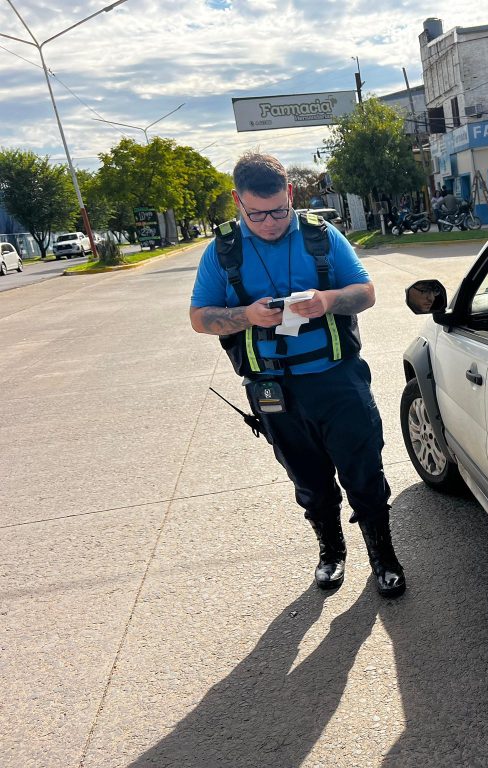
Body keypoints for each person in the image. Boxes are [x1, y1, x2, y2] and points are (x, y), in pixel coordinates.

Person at [189, 152, 405, 597]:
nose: (269, 223)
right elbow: (199, 317)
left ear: (290, 194)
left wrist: (327, 301)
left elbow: (365, 292)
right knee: (308, 480)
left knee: (364, 471)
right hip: (273, 390)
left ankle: (383, 557)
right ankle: (331, 552)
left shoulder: (320, 236)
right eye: (256, 214)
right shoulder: (223, 251)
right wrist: (245, 315)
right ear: (237, 201)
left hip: (338, 381)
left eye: (278, 211)